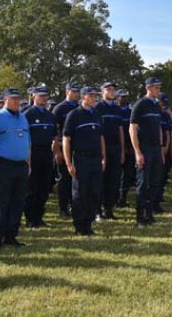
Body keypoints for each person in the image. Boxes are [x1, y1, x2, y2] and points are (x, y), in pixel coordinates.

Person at [0, 88, 30, 250]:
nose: (17, 101)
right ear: (5, 100)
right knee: (0, 203)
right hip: (3, 166)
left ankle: (11, 236)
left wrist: (28, 163)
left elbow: (27, 143)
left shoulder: (23, 118)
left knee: (17, 202)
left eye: (18, 98)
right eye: (13, 98)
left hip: (21, 166)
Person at [63, 87, 106, 236]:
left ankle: (88, 224)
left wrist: (103, 156)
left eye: (95, 96)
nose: (94, 98)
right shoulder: (74, 115)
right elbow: (66, 140)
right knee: (80, 193)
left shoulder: (97, 115)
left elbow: (101, 137)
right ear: (83, 97)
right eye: (91, 95)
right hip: (81, 158)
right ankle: (79, 226)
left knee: (94, 192)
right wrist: (68, 163)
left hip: (95, 158)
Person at [129, 77, 165, 227]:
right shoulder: (140, 105)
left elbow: (159, 128)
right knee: (143, 183)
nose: (158, 90)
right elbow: (132, 129)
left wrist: (161, 148)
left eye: (159, 87)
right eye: (156, 87)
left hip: (156, 149)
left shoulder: (156, 105)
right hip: (144, 148)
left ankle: (149, 214)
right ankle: (140, 217)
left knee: (155, 183)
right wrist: (137, 152)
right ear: (148, 88)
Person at [23, 86, 58, 229]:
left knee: (44, 187)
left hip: (46, 153)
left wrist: (55, 154)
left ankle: (39, 217)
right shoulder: (27, 114)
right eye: (41, 96)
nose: (44, 98)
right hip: (33, 152)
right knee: (32, 188)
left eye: (45, 96)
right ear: (33, 97)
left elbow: (54, 136)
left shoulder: (50, 115)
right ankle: (30, 219)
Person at [94, 82, 124, 221]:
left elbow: (120, 130)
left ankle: (109, 210)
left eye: (113, 89)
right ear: (102, 92)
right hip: (102, 148)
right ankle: (97, 211)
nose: (112, 91)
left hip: (115, 148)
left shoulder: (117, 109)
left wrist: (122, 150)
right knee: (100, 180)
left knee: (113, 180)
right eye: (108, 89)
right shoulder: (98, 108)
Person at [52, 83, 81, 218]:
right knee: (64, 179)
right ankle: (63, 208)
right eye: (73, 91)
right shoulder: (60, 108)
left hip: (78, 148)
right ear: (67, 92)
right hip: (64, 148)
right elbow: (54, 132)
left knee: (77, 178)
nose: (76, 94)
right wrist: (57, 151)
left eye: (77, 91)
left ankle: (73, 204)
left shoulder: (80, 108)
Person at [117, 89, 135, 208]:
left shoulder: (130, 112)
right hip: (117, 146)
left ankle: (122, 197)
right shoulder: (115, 111)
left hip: (130, 147)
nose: (124, 99)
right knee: (116, 174)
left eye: (125, 97)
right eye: (122, 97)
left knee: (127, 174)